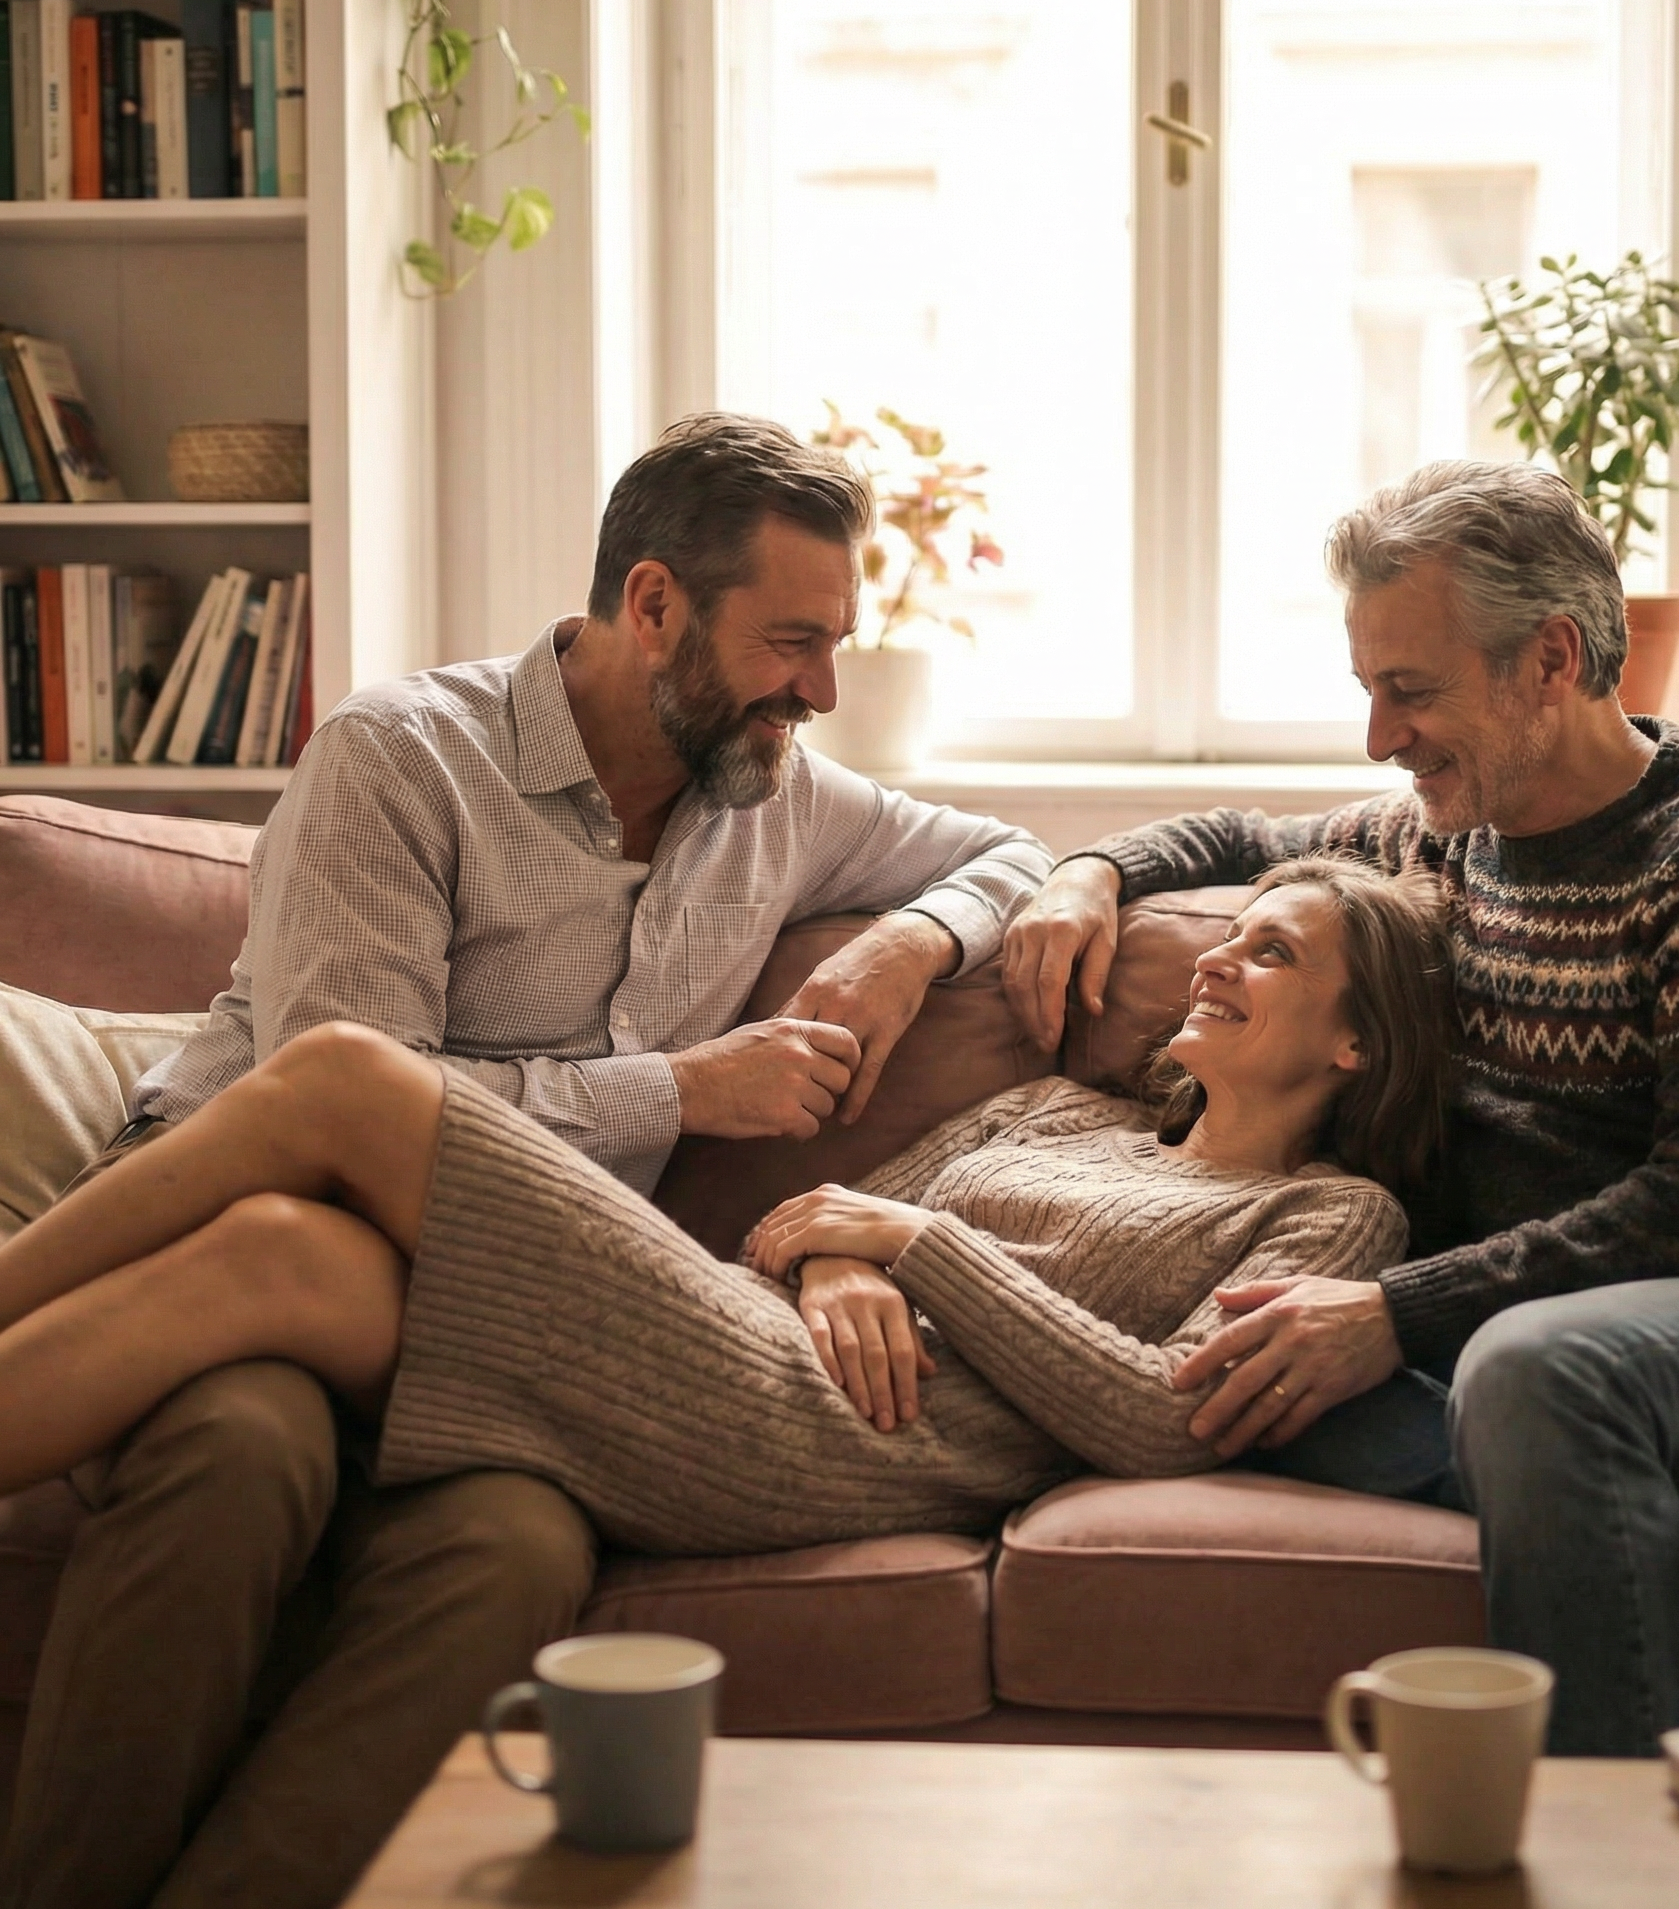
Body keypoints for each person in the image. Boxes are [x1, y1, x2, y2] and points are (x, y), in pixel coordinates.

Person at [0, 412, 1052, 1909]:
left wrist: (903, 945)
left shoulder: (780, 792)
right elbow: (343, 1097)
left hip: (487, 1335)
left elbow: (1005, 853)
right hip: (250, 1240)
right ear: (652, 608)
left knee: (517, 1544)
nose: (821, 692)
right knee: (245, 1454)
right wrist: (679, 1093)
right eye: (793, 642)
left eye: (838, 647)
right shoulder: (402, 757)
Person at [1000, 458, 1679, 1758]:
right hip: (1559, 1354)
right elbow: (1240, 837)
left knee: (1530, 1370)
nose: (1381, 737)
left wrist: (1400, 1313)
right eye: (1368, 691)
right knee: (1233, 1365)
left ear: (1551, 660)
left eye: (1413, 691)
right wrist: (1090, 868)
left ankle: (1614, 1868)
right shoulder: (1435, 836)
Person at [0, 858, 1451, 1568]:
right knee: (279, 1257)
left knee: (337, 1078)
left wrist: (915, 1249)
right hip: (752, 1335)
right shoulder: (1062, 1112)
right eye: (1232, 935)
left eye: (1271, 954)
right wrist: (842, 1264)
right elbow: (807, 1223)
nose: (1221, 964)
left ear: (1356, 1045)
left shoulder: (1334, 1221)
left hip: (821, 1438)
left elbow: (1158, 1418)